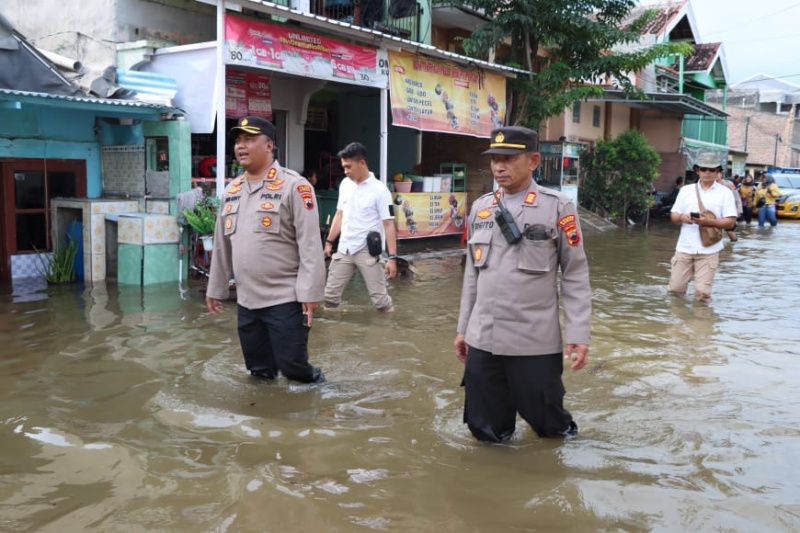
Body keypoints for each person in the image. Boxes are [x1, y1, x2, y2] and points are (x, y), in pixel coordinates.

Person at [453, 126, 591, 443]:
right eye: (494, 160)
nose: (499, 167)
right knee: (484, 431)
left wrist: (578, 334)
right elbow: (472, 275)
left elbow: (575, 273)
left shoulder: (557, 207)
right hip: (483, 338)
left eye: (509, 159)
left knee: (551, 429)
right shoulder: (481, 208)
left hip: (533, 342)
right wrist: (464, 328)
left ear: (533, 161)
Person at [206, 116, 326, 384]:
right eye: (238, 140)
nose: (241, 146)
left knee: (294, 368)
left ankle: (321, 397)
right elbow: (223, 244)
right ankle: (264, 418)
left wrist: (311, 293)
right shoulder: (232, 191)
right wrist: (216, 288)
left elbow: (310, 245)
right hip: (247, 301)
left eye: (249, 139)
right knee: (259, 371)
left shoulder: (294, 186)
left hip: (285, 298)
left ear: (269, 145)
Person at [323, 142, 398, 311]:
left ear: (362, 163)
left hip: (367, 249)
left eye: (348, 167)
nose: (345, 171)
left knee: (380, 302)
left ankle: (387, 329)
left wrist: (392, 258)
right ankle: (335, 331)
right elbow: (339, 215)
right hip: (345, 248)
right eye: (343, 167)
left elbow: (388, 224)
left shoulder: (380, 190)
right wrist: (329, 242)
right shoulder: (345, 185)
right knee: (330, 298)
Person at [668, 152, 737, 302]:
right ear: (697, 170)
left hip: (709, 250)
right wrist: (682, 218)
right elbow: (673, 216)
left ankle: (701, 324)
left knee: (702, 295)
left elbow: (730, 222)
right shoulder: (685, 190)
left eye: (712, 170)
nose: (707, 172)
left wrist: (707, 222)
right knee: (675, 291)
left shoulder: (725, 193)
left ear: (718, 172)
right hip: (684, 248)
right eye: (704, 169)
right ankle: (676, 324)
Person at [715, 174, 741, 242]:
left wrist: (738, 211)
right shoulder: (709, 184)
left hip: (728, 210)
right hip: (715, 210)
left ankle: (733, 245)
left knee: (730, 231)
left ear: (721, 174)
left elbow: (737, 197)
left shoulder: (728, 184)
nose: (715, 175)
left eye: (717, 173)